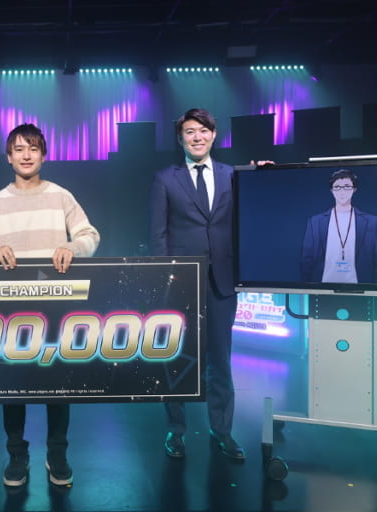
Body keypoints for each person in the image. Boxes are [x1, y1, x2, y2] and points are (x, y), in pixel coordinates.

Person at [0, 123, 100, 487]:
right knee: (13, 386)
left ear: (44, 155)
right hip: (11, 309)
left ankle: (57, 454)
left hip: (56, 306)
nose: (26, 155)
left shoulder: (61, 196)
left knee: (59, 385)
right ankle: (17, 455)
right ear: (8, 157)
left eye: (33, 148)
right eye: (19, 149)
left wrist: (73, 247)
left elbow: (89, 234)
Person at [149, 108, 246, 461]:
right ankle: (175, 431)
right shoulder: (165, 178)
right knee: (178, 359)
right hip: (182, 282)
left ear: (214, 135)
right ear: (181, 139)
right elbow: (158, 235)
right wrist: (166, 279)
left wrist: (264, 174)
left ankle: (223, 430)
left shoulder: (233, 175)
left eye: (203, 130)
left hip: (222, 281)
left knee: (220, 359)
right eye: (190, 131)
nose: (197, 137)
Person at [300, 169, 377, 284]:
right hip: (323, 287)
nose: (342, 191)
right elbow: (306, 260)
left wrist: (376, 290)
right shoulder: (315, 222)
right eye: (337, 187)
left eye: (347, 186)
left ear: (354, 189)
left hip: (361, 288)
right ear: (331, 190)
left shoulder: (373, 222)